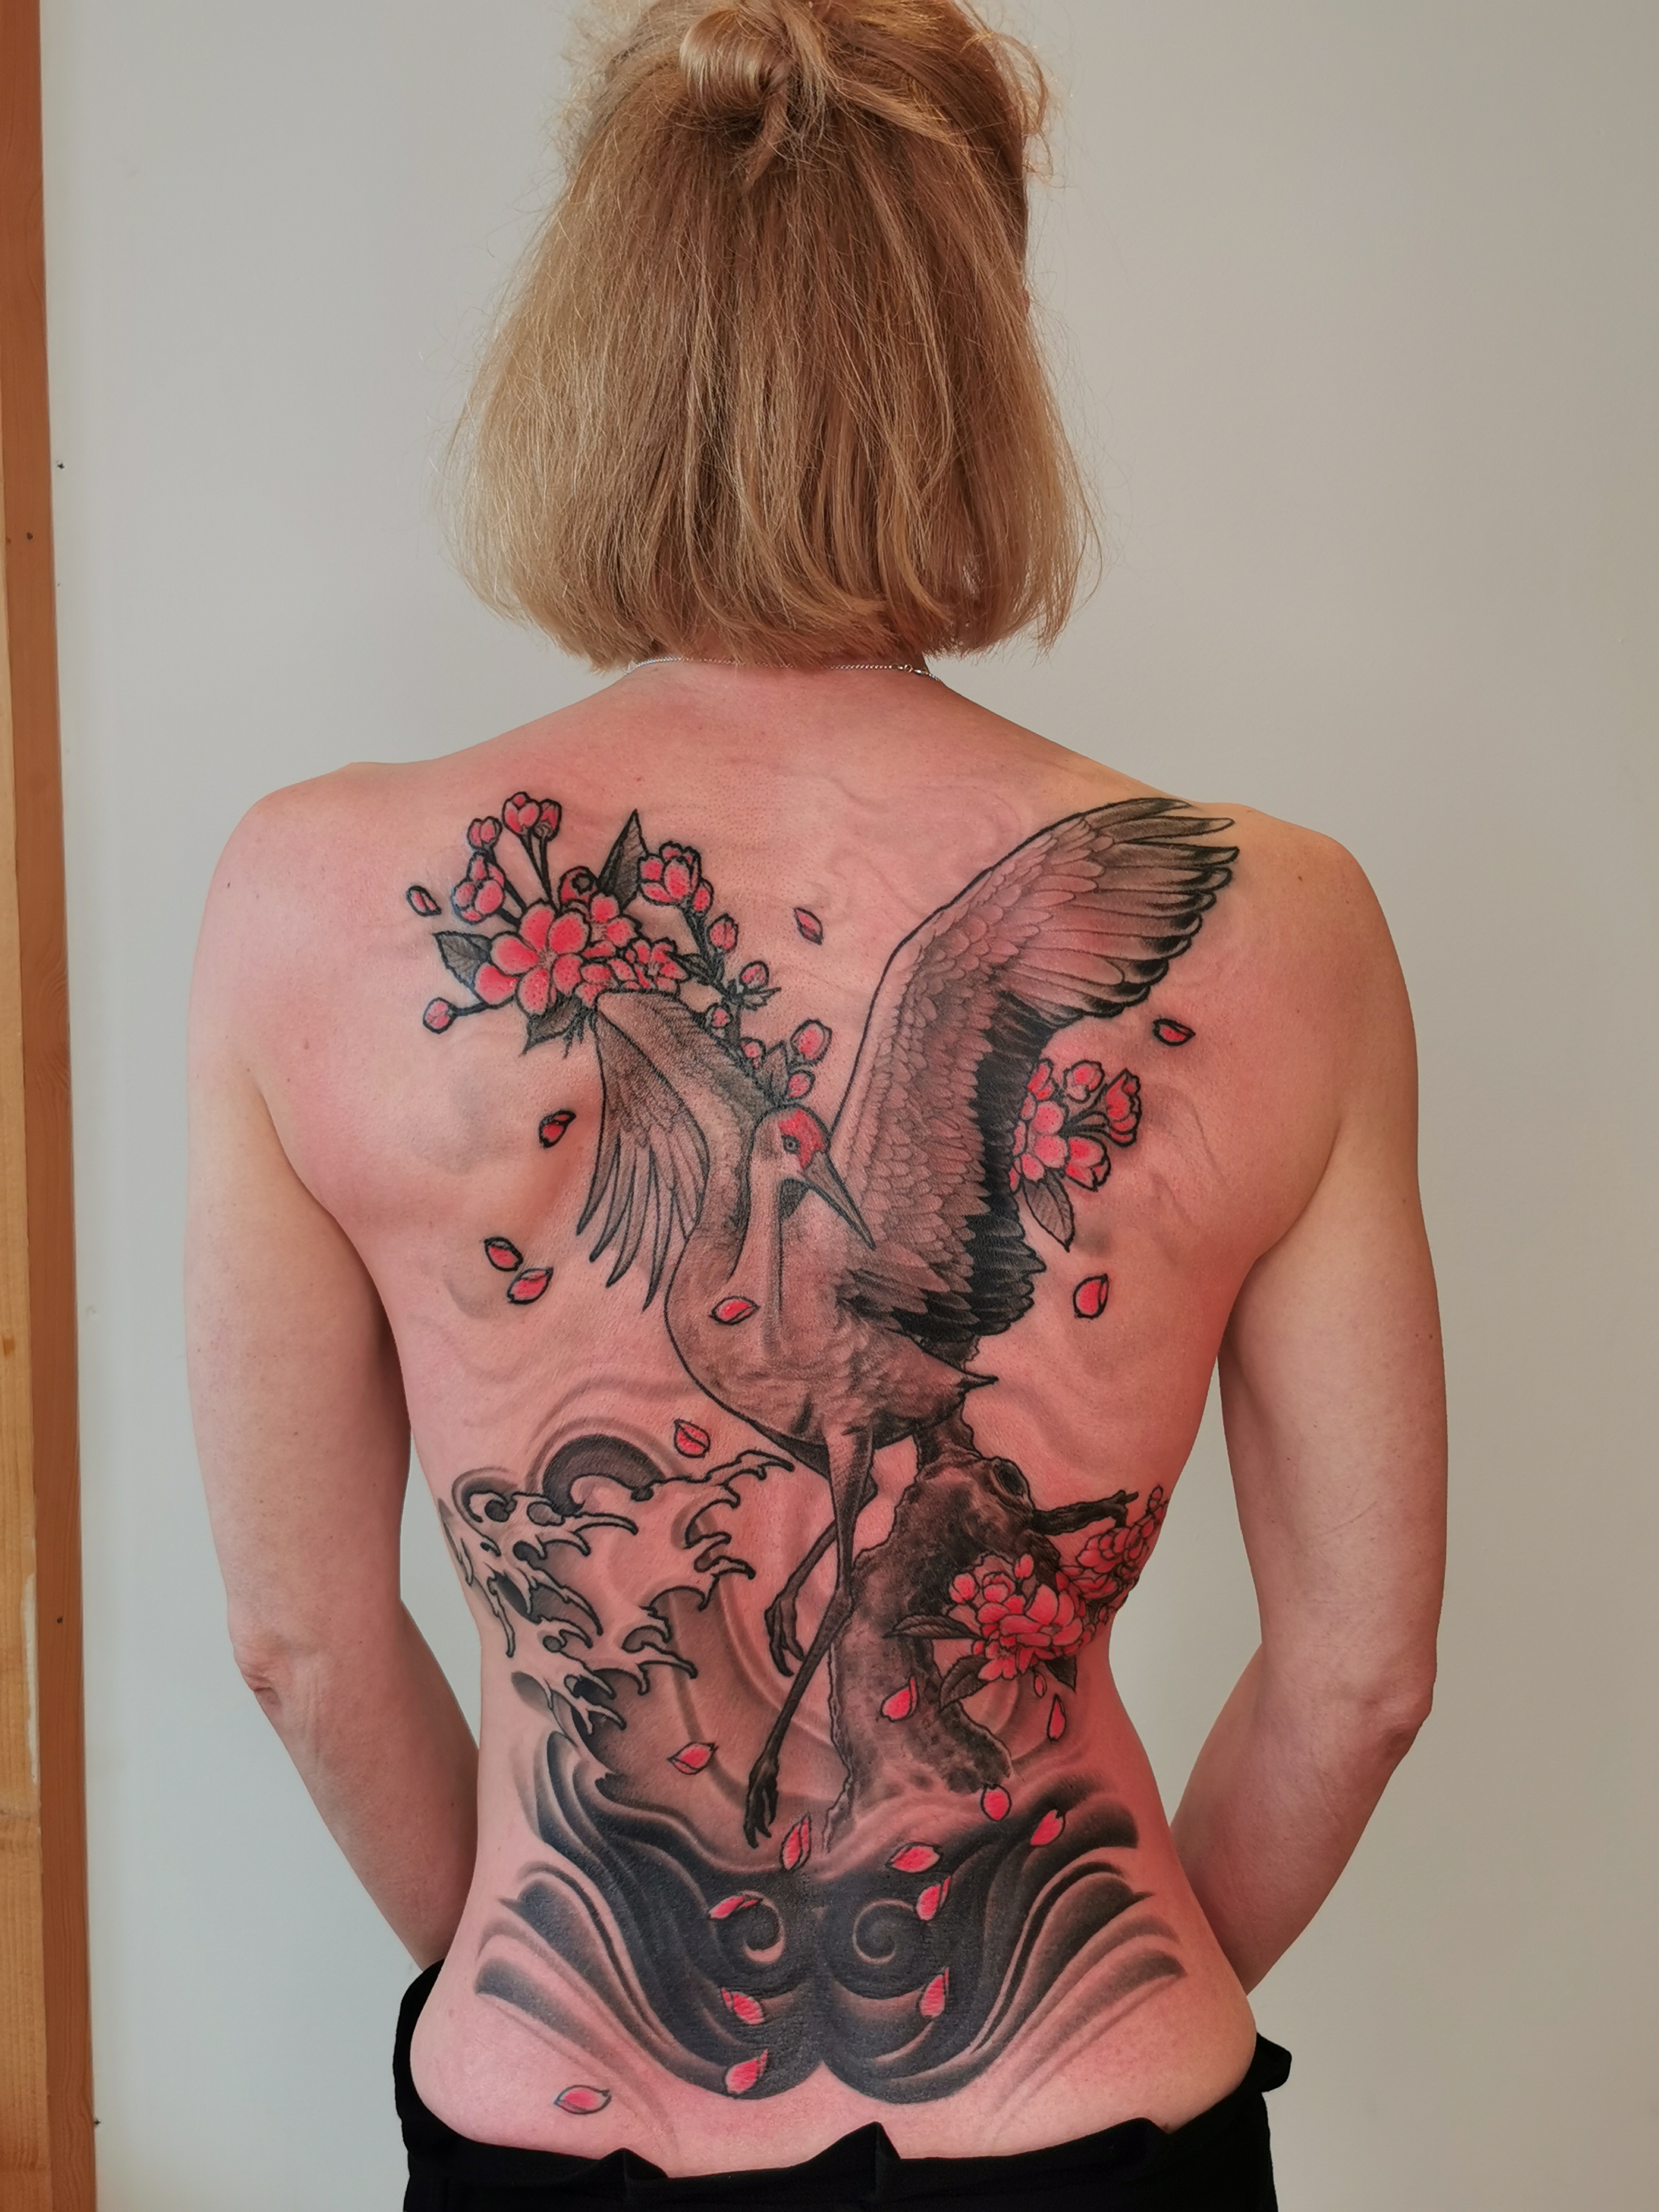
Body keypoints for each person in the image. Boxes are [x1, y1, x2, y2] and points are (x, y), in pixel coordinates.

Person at [185, 3, 1446, 2206]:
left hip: (566, 2099)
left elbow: (301, 1649)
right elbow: (1362, 1681)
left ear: (599, 343)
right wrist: (1127, 2022)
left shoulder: (306, 903)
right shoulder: (1297, 921)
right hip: (1077, 2102)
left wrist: (526, 1967)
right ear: (976, 356)